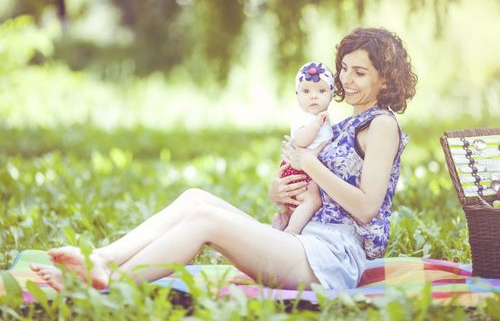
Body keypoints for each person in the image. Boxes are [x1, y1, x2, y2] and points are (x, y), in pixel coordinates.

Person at [30, 27, 417, 292]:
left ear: (386, 79)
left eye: (360, 72)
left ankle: (113, 283)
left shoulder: (382, 125)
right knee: (196, 197)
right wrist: (280, 194)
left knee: (206, 220)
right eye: (345, 68)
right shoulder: (348, 123)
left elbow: (367, 208)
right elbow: (322, 194)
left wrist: (309, 164)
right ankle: (104, 257)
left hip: (330, 259)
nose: (346, 79)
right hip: (303, 242)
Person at [272, 61, 335, 234]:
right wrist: (315, 125)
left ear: (331, 95)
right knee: (312, 201)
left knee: (302, 202)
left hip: (310, 168)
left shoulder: (321, 118)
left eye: (321, 91)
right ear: (297, 95)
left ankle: (284, 219)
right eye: (306, 91)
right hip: (299, 170)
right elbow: (300, 141)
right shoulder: (303, 117)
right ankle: (292, 230)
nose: (313, 96)